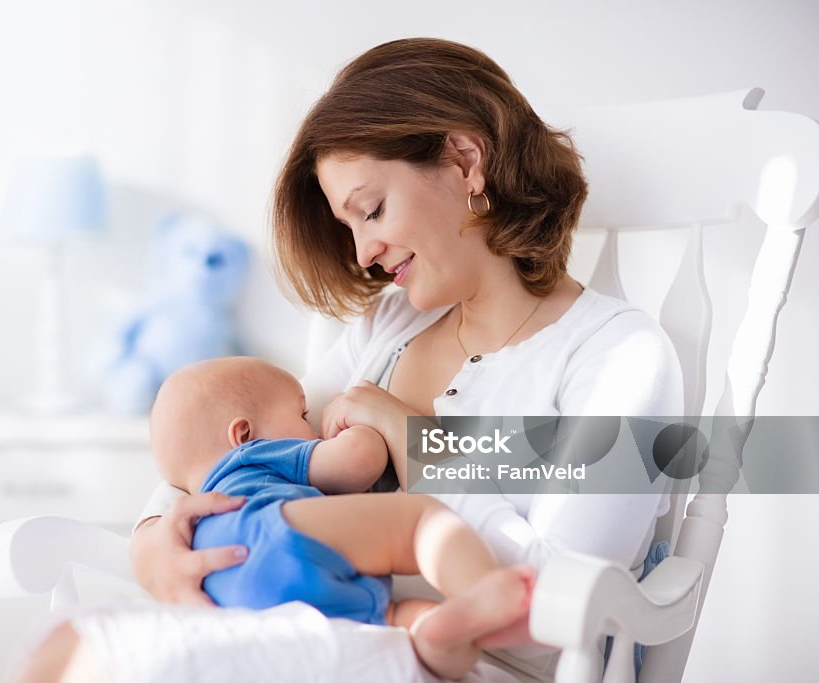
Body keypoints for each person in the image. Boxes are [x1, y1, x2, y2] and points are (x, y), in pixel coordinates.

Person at [129, 37, 683, 678]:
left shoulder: (618, 356)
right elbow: (230, 445)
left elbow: (556, 614)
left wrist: (414, 442)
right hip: (314, 646)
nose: (363, 252)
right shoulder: (386, 327)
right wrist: (152, 544)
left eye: (372, 209)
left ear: (466, 161)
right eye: (350, 227)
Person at [150, 355, 535, 679]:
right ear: (244, 434)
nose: (313, 426)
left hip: (228, 595)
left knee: (394, 622)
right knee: (418, 522)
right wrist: (362, 430)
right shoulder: (255, 455)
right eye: (303, 414)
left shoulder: (196, 511)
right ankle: (485, 591)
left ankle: (433, 632)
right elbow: (360, 462)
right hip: (274, 532)